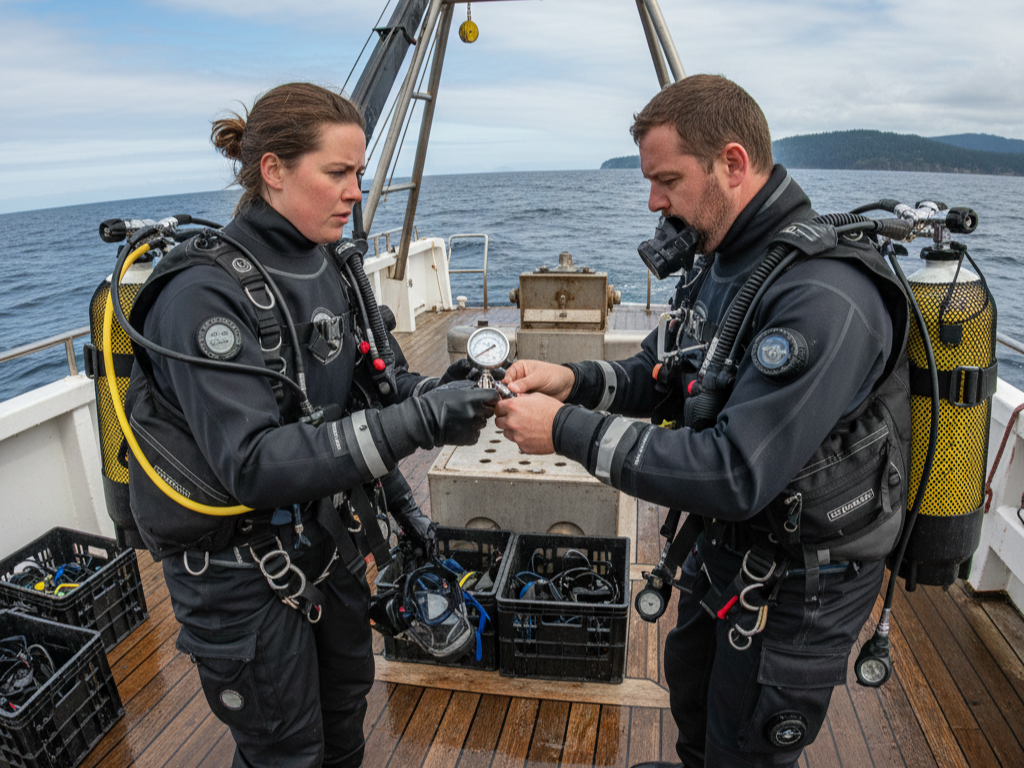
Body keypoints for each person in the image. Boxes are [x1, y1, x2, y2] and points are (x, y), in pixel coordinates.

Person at [494, 74, 911, 768]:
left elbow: (735, 471)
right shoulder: (725, 259)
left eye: (667, 179)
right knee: (694, 703)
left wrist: (563, 430)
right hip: (725, 553)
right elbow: (667, 375)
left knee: (742, 742)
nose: (654, 200)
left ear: (734, 163)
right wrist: (571, 380)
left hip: (796, 582)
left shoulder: (823, 295)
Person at [122, 82, 498, 768]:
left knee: (345, 722)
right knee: (286, 753)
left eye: (357, 172)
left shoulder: (327, 263)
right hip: (238, 572)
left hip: (326, 544)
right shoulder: (200, 294)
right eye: (337, 173)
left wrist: (440, 395)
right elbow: (254, 463)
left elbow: (369, 382)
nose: (356, 191)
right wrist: (417, 421)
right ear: (273, 170)